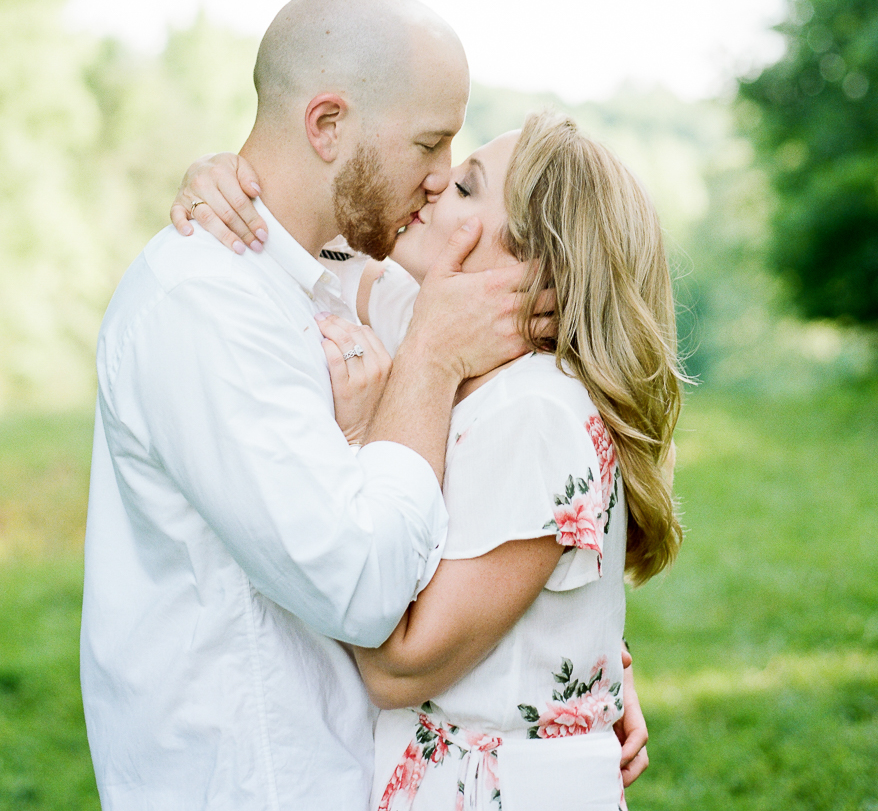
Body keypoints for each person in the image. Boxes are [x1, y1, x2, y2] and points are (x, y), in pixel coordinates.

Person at [81, 0, 558, 811]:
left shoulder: (334, 278)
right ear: (328, 125)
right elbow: (364, 588)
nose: (443, 179)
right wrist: (429, 365)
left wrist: (570, 675)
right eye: (429, 144)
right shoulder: (205, 307)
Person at [173, 112, 682, 810]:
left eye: (468, 187)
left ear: (536, 269)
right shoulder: (428, 317)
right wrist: (225, 182)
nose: (437, 183)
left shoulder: (535, 412)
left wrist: (357, 436)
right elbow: (305, 253)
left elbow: (398, 666)